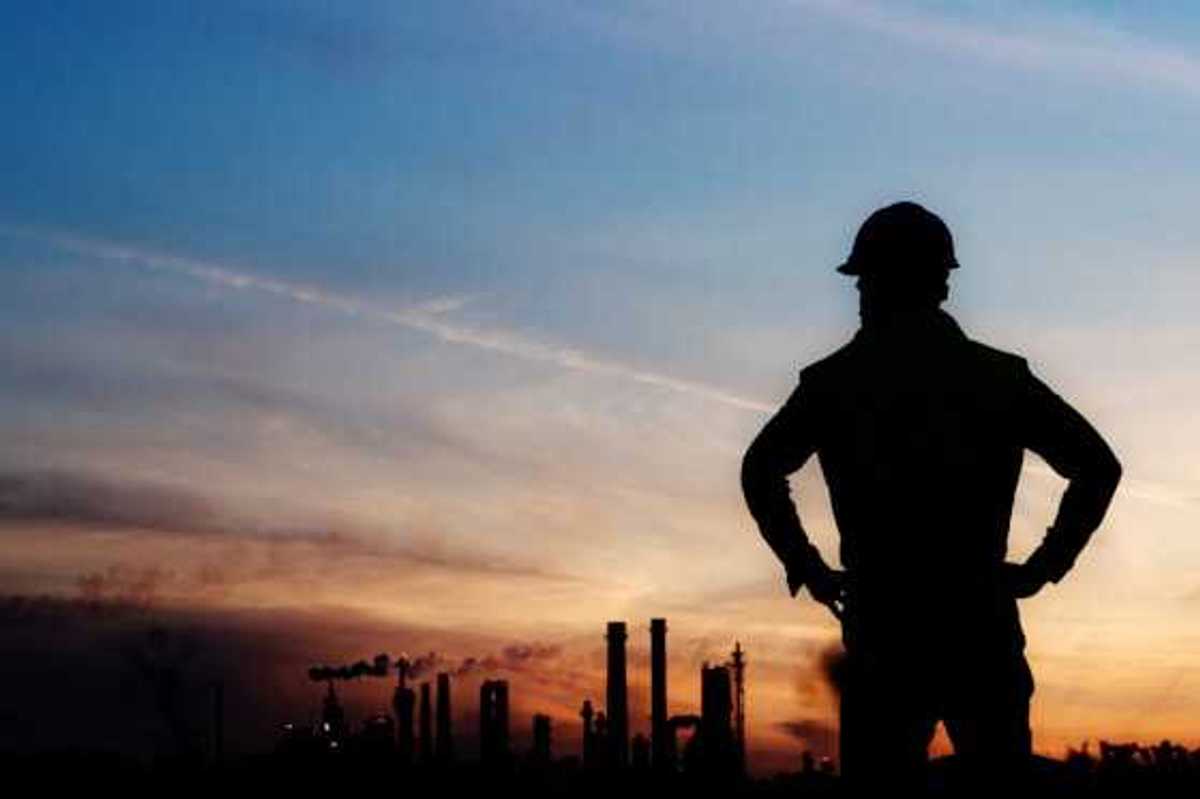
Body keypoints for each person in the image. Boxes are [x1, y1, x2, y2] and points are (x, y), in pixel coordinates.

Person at [740, 201, 1122, 790]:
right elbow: (1097, 467)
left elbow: (760, 470)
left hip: (886, 635)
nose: (861, 292)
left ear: (897, 280)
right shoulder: (998, 379)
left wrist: (809, 567)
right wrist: (1043, 568)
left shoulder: (836, 384)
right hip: (979, 628)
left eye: (866, 279)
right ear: (941, 282)